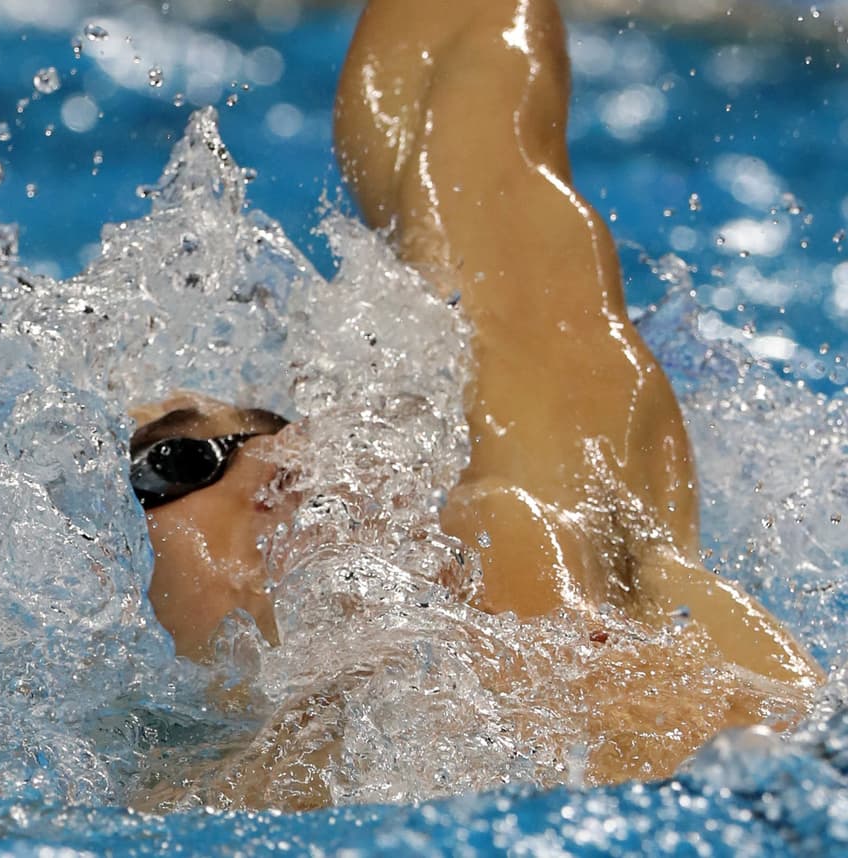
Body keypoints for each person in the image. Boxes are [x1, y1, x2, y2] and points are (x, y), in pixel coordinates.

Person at [129, 0, 823, 800]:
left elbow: (463, 56)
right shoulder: (202, 803)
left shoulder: (553, 507)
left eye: (263, 436)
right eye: (172, 462)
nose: (268, 459)